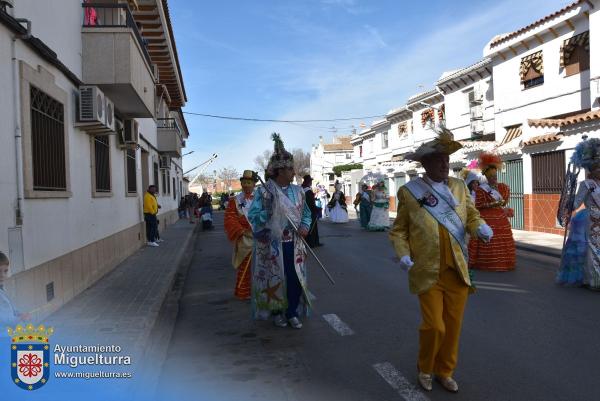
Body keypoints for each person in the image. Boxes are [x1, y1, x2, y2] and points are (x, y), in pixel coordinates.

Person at [389, 127, 492, 393]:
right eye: (439, 160)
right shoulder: (410, 192)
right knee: (434, 326)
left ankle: (445, 371)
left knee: (454, 326)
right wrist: (402, 254)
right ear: (425, 164)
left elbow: (470, 215)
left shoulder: (458, 187)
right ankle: (425, 368)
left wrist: (478, 227)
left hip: (457, 268)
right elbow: (399, 230)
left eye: (447, 160)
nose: (445, 164)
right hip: (427, 269)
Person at [247, 133, 312, 329]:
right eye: (291, 169)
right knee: (275, 278)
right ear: (280, 171)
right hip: (272, 245)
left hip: (294, 243)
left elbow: (307, 214)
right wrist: (269, 210)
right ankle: (277, 312)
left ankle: (291, 311)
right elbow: (253, 216)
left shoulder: (299, 191)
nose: (294, 172)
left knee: (294, 279)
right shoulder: (264, 191)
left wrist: (305, 226)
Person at [559, 138, 600, 290]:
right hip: (591, 220)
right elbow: (577, 202)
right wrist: (569, 204)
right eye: (597, 168)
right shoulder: (586, 184)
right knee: (591, 249)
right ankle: (593, 280)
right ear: (592, 169)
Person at [468, 152, 516, 271]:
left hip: (500, 218)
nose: (494, 179)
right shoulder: (481, 190)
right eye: (491, 177)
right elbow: (478, 205)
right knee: (487, 237)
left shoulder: (502, 187)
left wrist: (501, 205)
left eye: (495, 176)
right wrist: (491, 204)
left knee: (503, 241)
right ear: (487, 177)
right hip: (487, 218)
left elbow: (504, 202)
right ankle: (487, 263)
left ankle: (504, 263)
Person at [224, 170, 258, 300]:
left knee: (261, 266)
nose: (247, 185)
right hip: (245, 238)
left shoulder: (261, 199)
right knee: (245, 266)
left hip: (260, 237)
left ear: (254, 184)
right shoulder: (235, 200)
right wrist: (241, 230)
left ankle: (260, 292)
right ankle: (244, 292)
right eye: (244, 182)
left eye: (249, 182)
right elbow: (230, 217)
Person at [0, 251, 28, 326]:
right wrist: (20, 318)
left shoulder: (2, 287)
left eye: (5, 271)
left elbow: (10, 307)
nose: (2, 275)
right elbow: (4, 320)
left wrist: (18, 314)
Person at [301, 175, 323, 247]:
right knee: (312, 228)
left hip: (303, 211)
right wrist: (318, 209)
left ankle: (308, 242)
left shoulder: (301, 189)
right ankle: (313, 243)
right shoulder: (308, 191)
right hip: (310, 212)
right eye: (310, 181)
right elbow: (311, 203)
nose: (311, 182)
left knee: (306, 226)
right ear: (308, 181)